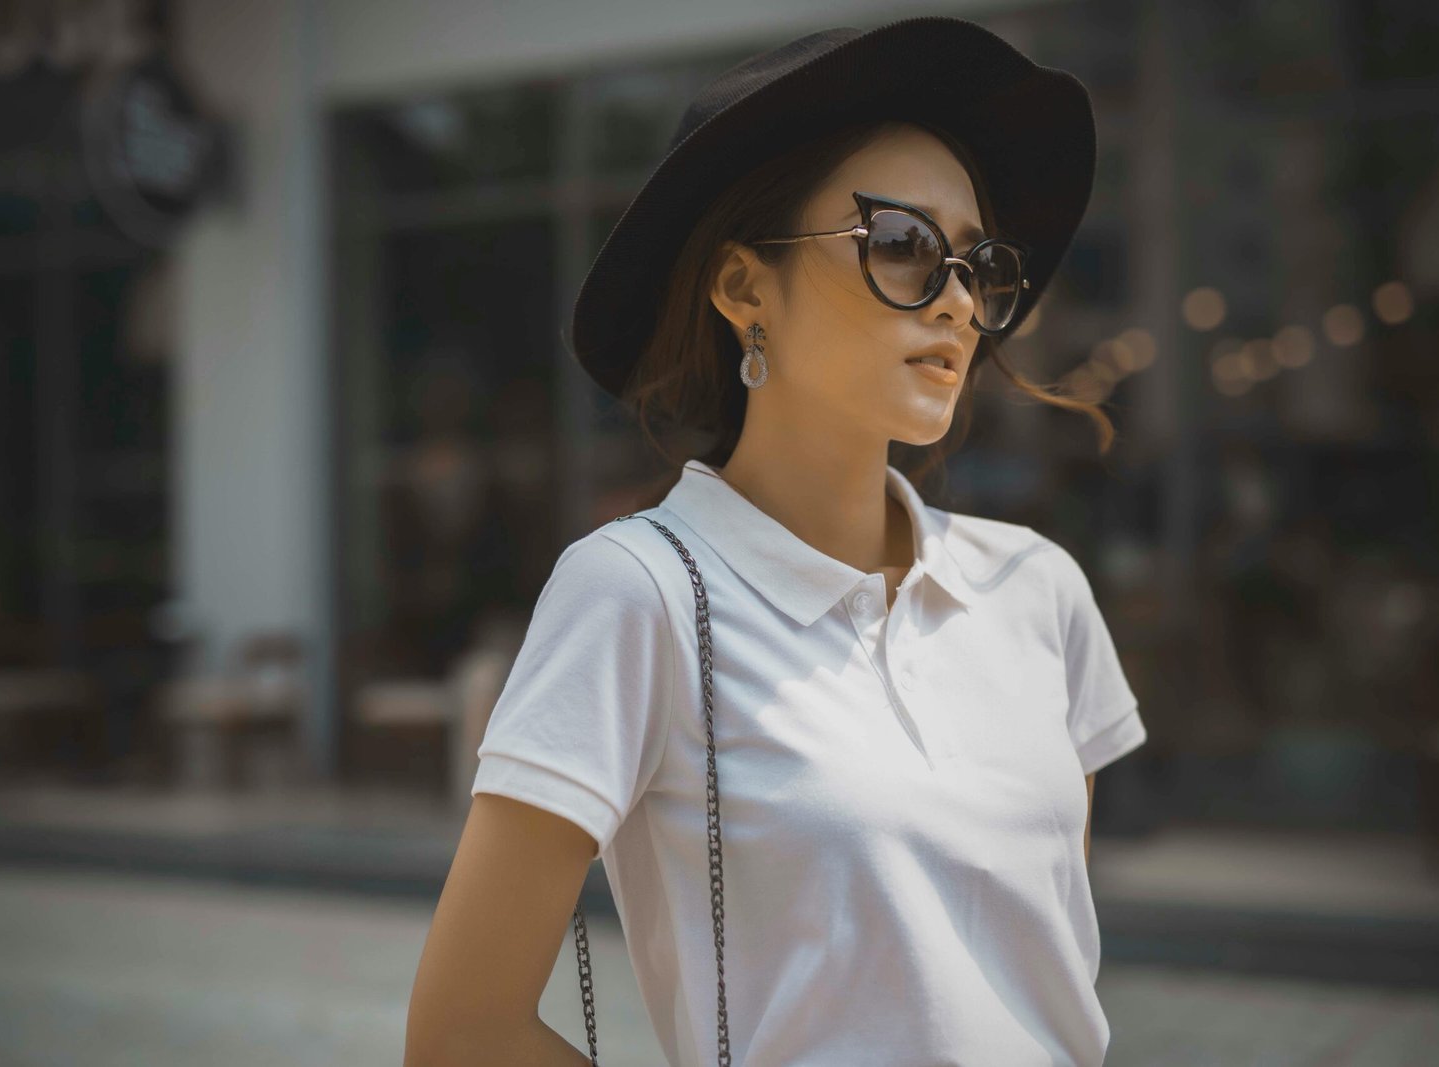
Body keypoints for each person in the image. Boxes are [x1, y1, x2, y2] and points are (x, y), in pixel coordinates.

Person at [405, 16, 1147, 1067]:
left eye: (979, 264)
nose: (957, 301)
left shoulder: (1038, 589)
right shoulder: (639, 591)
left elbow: (1047, 978)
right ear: (744, 287)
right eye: (902, 246)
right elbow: (460, 1036)